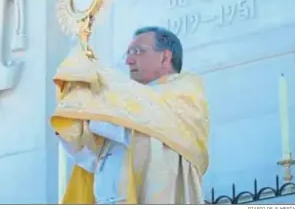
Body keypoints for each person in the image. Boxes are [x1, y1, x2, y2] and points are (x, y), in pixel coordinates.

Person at [51, 26, 209, 204]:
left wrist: (96, 78)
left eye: (138, 52)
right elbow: (87, 154)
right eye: (128, 53)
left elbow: (143, 127)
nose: (129, 60)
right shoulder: (122, 101)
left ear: (165, 56)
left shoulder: (184, 92)